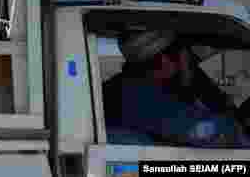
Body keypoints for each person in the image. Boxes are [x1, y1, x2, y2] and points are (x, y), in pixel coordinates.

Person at [102, 29, 250, 148]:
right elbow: (204, 132)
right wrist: (236, 124)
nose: (166, 64)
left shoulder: (134, 89)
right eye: (152, 63)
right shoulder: (136, 95)